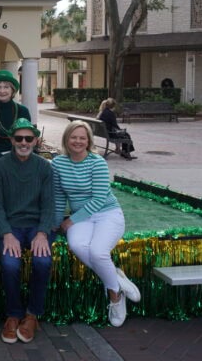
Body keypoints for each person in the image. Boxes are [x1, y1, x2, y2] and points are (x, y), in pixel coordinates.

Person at [52, 120, 141, 328]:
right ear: (66, 139)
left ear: (89, 141)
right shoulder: (58, 163)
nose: (78, 141)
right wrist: (57, 222)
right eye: (74, 137)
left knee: (98, 252)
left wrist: (70, 221)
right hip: (81, 217)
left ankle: (115, 296)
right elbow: (58, 197)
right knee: (77, 246)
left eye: (83, 138)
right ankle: (116, 276)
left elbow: (100, 199)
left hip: (107, 214)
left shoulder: (97, 162)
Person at [0, 118, 54, 344]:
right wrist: (6, 233)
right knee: (9, 264)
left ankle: (33, 314)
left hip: (36, 225)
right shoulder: (0, 167)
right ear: (11, 140)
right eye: (19, 138)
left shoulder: (44, 167)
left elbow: (49, 205)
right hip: (11, 226)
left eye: (28, 138)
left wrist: (43, 233)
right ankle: (14, 314)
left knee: (43, 262)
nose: (24, 142)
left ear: (35, 140)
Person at [0, 70, 30, 171]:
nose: (2, 91)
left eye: (6, 87)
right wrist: (2, 158)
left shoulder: (23, 111)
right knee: (2, 168)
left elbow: (28, 138)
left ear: (13, 90)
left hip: (19, 153)